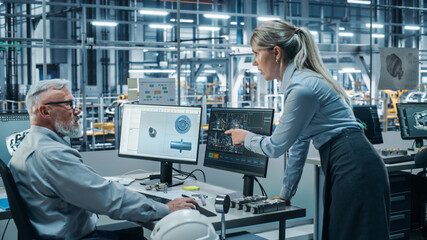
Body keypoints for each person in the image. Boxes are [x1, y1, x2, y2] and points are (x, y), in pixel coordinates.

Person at [225, 20, 390, 240]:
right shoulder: (302, 83)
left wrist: (246, 138)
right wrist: (285, 195)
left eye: (256, 53)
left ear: (276, 52)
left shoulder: (302, 88)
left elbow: (275, 147)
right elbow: (299, 145)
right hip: (347, 161)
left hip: (353, 164)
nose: (254, 62)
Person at [9, 79, 198, 239]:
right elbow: (109, 199)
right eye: (69, 105)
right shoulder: (51, 154)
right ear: (45, 112)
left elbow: (94, 190)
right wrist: (165, 208)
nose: (77, 111)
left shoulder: (29, 145)